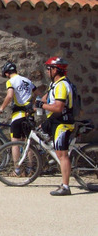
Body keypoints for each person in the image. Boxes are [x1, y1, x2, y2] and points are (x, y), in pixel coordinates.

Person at [36, 57, 76, 196]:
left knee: (62, 154)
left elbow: (58, 107)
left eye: (49, 69)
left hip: (62, 123)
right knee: (41, 131)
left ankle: (65, 186)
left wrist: (42, 105)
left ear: (56, 70)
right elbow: (45, 99)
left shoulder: (61, 85)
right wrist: (37, 105)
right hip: (54, 121)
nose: (47, 71)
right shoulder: (55, 84)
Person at [0, 61, 36, 171]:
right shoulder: (28, 81)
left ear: (6, 73)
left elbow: (9, 96)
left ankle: (17, 169)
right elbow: (37, 93)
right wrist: (32, 104)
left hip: (18, 115)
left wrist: (1, 108)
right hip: (29, 115)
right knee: (28, 143)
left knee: (15, 143)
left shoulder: (11, 81)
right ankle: (30, 168)